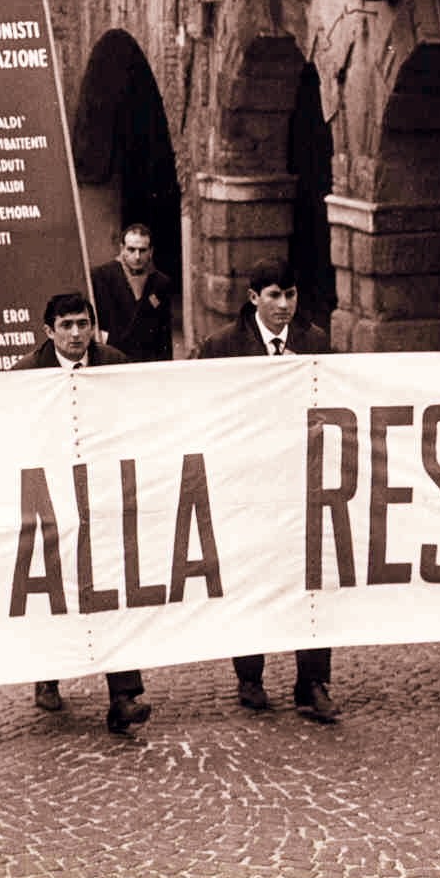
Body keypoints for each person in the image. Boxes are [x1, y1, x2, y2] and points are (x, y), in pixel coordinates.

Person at [194, 257, 338, 724]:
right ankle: (250, 675)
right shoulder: (221, 348)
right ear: (254, 298)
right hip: (247, 483)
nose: (284, 305)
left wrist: (308, 384)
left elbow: (336, 408)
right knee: (251, 575)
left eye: (290, 295)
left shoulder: (315, 343)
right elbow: (207, 411)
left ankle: (312, 681)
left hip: (300, 481)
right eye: (274, 295)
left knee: (311, 580)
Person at [13, 291, 153, 734]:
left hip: (104, 495)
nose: (77, 334)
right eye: (67, 326)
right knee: (55, 589)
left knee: (113, 588)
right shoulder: (25, 375)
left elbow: (141, 418)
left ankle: (125, 696)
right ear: (48, 331)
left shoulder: (115, 364)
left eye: (84, 324)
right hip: (50, 497)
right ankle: (47, 676)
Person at [90, 224, 174, 363]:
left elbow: (164, 333)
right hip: (112, 358)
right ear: (122, 249)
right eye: (131, 249)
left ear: (151, 251)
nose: (137, 256)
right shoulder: (101, 277)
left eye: (142, 250)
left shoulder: (160, 282)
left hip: (146, 360)